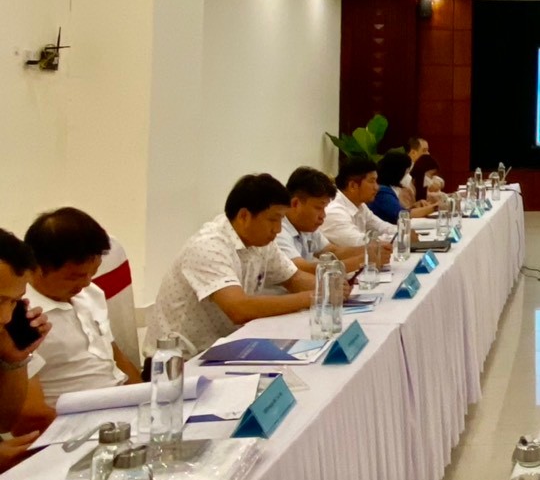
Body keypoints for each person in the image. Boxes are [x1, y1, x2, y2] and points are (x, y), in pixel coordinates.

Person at [146, 174, 321, 357]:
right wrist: (313, 298)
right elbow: (239, 309)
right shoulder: (208, 245)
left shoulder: (261, 242)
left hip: (226, 349)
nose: (278, 230)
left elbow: (294, 278)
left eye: (281, 221)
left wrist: (331, 289)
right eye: (273, 220)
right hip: (178, 361)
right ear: (244, 216)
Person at [14, 209, 143, 433]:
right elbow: (29, 415)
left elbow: (116, 358)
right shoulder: (21, 316)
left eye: (92, 273)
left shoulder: (90, 294)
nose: (85, 283)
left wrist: (149, 401)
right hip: (74, 427)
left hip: (120, 411)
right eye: (75, 276)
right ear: (37, 266)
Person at [0, 230, 52, 457]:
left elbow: (4, 423)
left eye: (14, 302)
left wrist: (14, 361)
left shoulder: (4, 335)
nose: (6, 317)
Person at [274, 167, 375, 275]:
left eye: (324, 208)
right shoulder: (277, 231)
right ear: (295, 204)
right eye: (318, 208)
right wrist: (364, 259)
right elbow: (301, 270)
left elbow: (333, 251)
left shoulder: (306, 226)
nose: (323, 215)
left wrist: (371, 250)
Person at [320, 156, 398, 248]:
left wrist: (403, 233)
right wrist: (402, 237)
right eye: (371, 181)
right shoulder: (334, 211)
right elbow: (361, 243)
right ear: (353, 186)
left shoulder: (360, 205)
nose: (377, 187)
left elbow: (381, 226)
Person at [367, 152, 436, 224]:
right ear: (397, 172)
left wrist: (413, 207)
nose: (409, 176)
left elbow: (396, 211)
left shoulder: (390, 189)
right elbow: (401, 215)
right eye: (406, 173)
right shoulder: (383, 192)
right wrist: (435, 207)